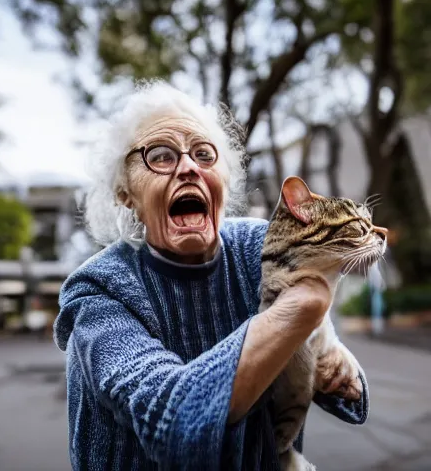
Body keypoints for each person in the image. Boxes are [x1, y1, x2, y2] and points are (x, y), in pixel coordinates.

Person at [54, 82, 368, 470]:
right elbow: (175, 429)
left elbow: (349, 396)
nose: (188, 167)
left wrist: (334, 364)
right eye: (160, 156)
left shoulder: (259, 246)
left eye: (204, 154)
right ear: (125, 192)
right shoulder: (100, 290)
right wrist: (300, 308)